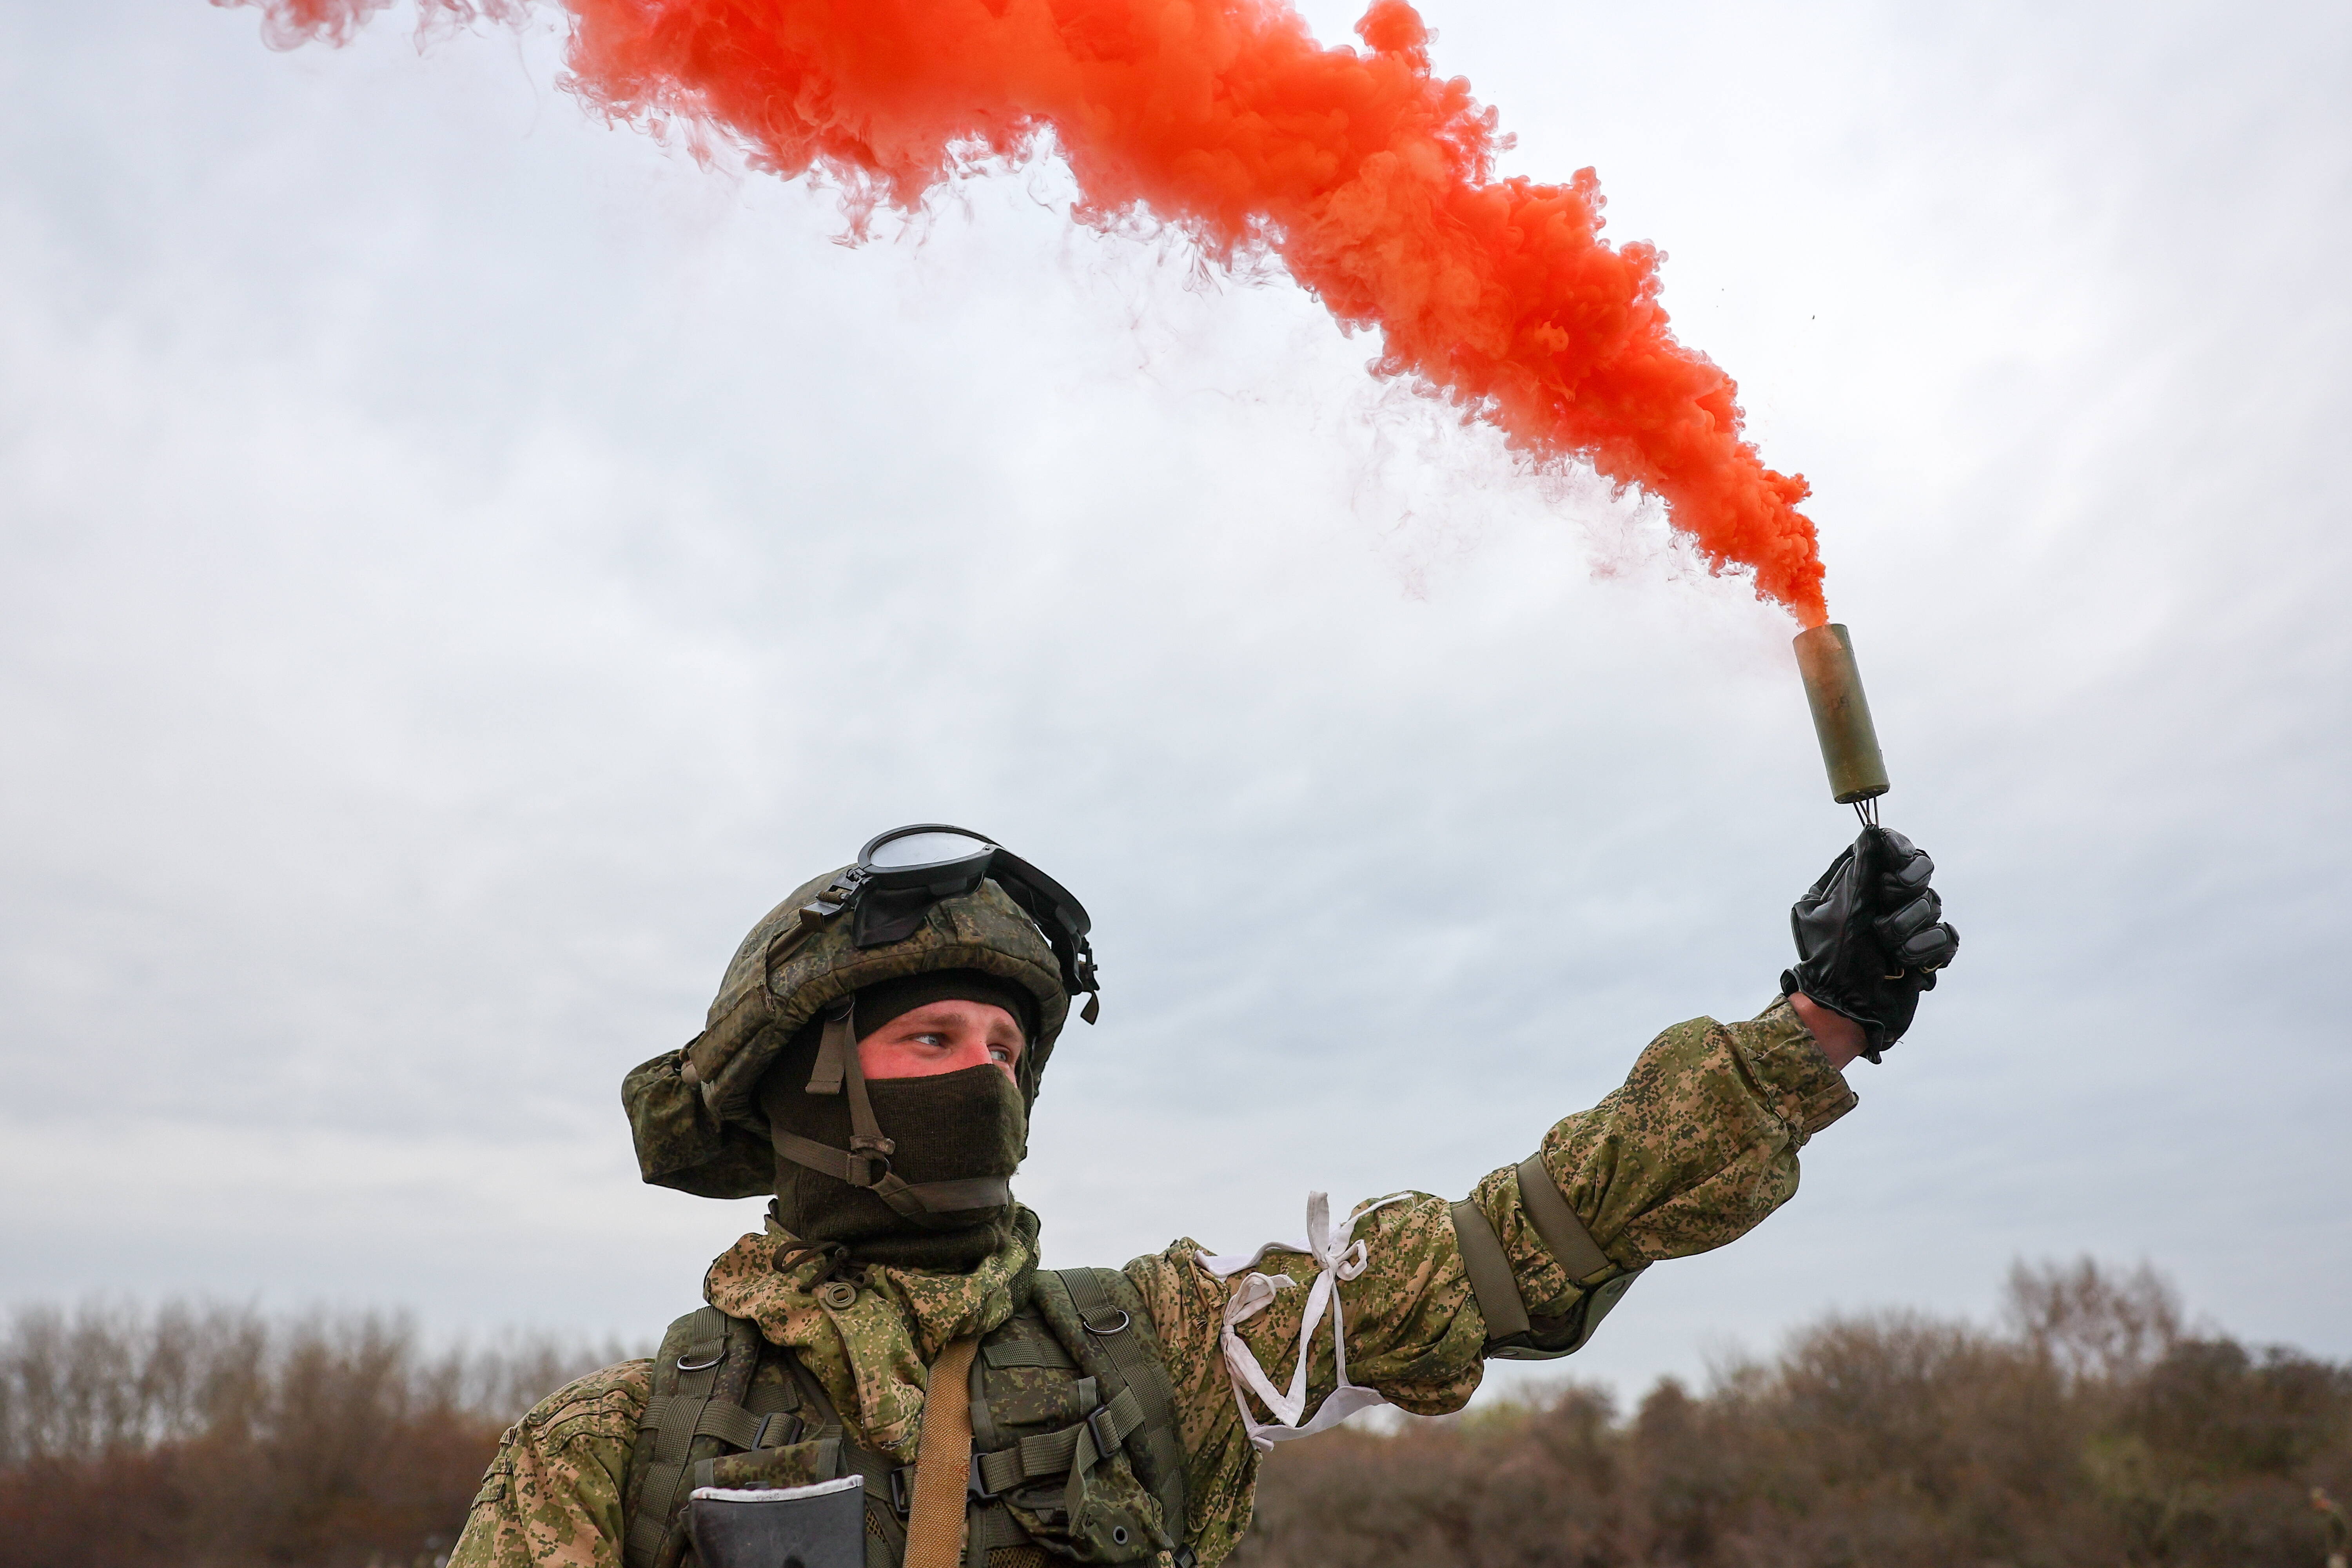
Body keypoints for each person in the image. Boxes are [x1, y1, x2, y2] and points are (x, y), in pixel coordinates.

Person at [450, 822, 1958, 1568]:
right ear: (802, 1091)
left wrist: (1816, 1023)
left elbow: (1511, 1252)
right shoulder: (616, 1446)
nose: (982, 1070)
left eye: (1004, 1042)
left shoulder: (1161, 1345)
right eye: (928, 1036)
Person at [2317, 1486, 2351, 1568]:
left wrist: (2343, 1549)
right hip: (2327, 1554)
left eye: (2319, 1501)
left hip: (2338, 1554)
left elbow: (2347, 1530)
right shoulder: (2320, 1516)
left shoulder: (2336, 1512)